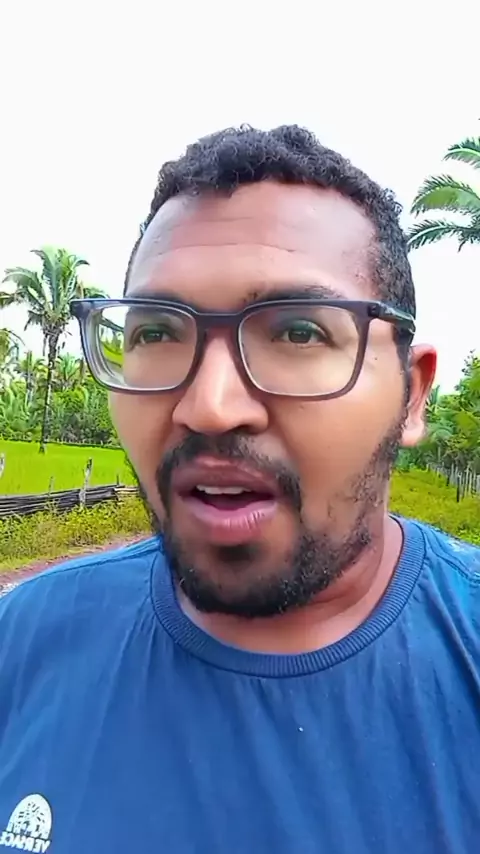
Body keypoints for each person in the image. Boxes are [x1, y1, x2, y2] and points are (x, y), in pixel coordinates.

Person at [0, 125, 478, 854]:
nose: (210, 406)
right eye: (158, 332)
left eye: (298, 333)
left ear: (411, 396)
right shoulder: (24, 639)